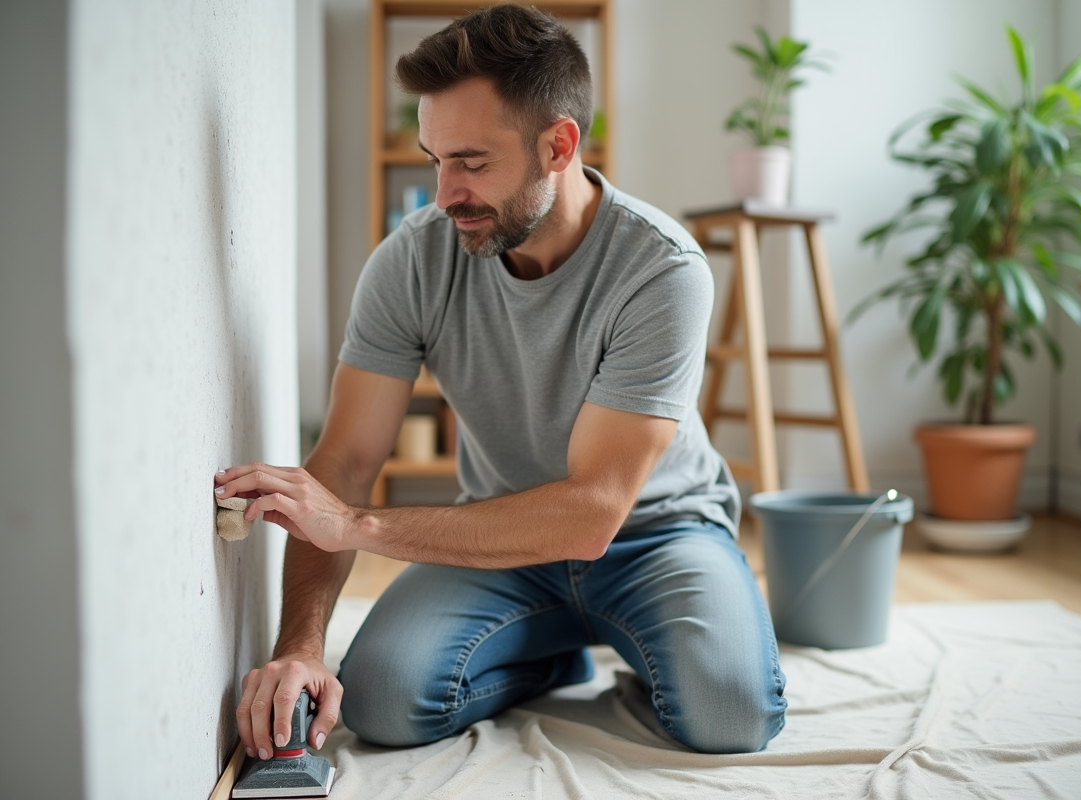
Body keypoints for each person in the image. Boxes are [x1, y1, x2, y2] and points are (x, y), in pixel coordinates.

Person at [214, 3, 786, 760]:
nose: (445, 193)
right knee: (384, 703)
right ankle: (554, 653)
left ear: (559, 145)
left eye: (472, 163)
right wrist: (302, 645)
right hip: (502, 539)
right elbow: (344, 462)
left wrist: (356, 523)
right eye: (435, 159)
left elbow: (592, 511)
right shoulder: (412, 260)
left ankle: (624, 645)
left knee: (729, 716)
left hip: (658, 533)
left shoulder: (662, 270)